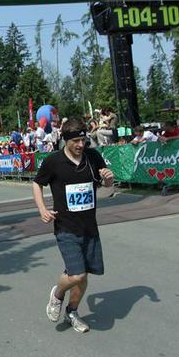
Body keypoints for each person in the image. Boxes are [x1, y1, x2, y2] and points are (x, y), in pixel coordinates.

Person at [33, 118, 114, 333]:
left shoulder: (93, 157)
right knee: (77, 275)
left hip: (89, 227)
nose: (80, 145)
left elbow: (106, 185)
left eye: (83, 140)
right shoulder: (53, 161)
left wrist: (108, 179)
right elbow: (37, 183)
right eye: (75, 141)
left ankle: (72, 312)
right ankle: (57, 294)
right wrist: (42, 209)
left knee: (83, 274)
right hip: (65, 227)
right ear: (65, 140)